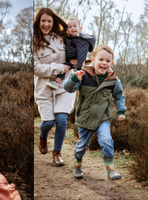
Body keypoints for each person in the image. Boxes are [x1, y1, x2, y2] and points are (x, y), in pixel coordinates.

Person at [63, 45, 126, 180]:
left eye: (107, 61)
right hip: (85, 116)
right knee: (82, 146)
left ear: (111, 63)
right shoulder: (83, 75)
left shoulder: (113, 79)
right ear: (93, 60)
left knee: (106, 141)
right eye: (101, 59)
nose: (104, 63)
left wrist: (121, 111)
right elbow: (68, 88)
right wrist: (74, 78)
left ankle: (110, 169)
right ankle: (77, 165)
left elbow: (119, 96)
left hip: (103, 117)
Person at [33, 7, 74, 166]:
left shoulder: (62, 38)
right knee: (49, 122)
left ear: (53, 22)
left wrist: (77, 60)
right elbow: (35, 68)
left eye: (49, 21)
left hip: (64, 85)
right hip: (45, 87)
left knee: (62, 120)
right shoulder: (34, 42)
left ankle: (57, 153)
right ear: (38, 22)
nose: (46, 24)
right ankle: (43, 136)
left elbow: (77, 48)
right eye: (43, 21)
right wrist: (58, 68)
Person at [46, 18, 96, 90]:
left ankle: (56, 81)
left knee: (65, 67)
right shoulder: (69, 38)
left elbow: (82, 55)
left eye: (75, 26)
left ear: (80, 28)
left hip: (73, 60)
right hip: (67, 57)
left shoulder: (81, 41)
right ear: (67, 30)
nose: (72, 28)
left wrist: (80, 68)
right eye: (70, 27)